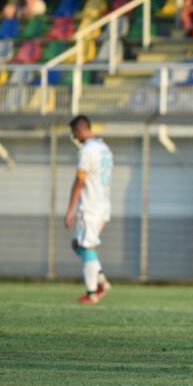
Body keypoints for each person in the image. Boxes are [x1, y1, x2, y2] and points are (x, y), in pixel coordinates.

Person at [64, 115, 113, 305]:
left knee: (85, 246)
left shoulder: (87, 150)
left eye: (74, 133)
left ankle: (92, 293)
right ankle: (100, 278)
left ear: (80, 130)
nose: (74, 138)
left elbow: (80, 180)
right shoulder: (104, 148)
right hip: (104, 205)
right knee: (77, 244)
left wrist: (70, 210)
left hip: (91, 206)